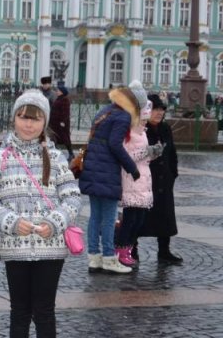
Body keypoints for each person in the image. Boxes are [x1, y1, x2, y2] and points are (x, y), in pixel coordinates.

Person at [0, 90, 80, 338]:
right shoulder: (0, 156)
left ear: (44, 122)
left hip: (49, 247)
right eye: (24, 117)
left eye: (35, 118)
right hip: (16, 246)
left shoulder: (57, 156)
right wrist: (10, 221)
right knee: (19, 310)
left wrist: (55, 221)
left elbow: (73, 197)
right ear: (15, 119)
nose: (28, 124)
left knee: (44, 310)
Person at [78, 81, 144, 275]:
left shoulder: (105, 111)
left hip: (92, 168)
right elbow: (115, 145)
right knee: (109, 217)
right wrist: (132, 167)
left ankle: (94, 257)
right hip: (106, 171)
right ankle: (109, 258)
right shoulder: (122, 116)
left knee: (95, 216)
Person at [113, 99, 161, 268]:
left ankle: (129, 249)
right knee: (130, 220)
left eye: (145, 120)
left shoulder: (143, 133)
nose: (144, 122)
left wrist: (153, 153)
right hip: (131, 181)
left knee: (139, 221)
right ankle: (121, 250)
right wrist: (145, 152)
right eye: (142, 119)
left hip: (144, 180)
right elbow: (126, 157)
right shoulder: (128, 134)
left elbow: (142, 157)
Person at [139, 94, 182, 264]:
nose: (159, 113)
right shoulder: (141, 129)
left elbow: (172, 152)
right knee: (140, 217)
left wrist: (173, 173)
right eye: (155, 109)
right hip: (146, 181)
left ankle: (164, 251)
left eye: (162, 109)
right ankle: (132, 250)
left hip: (164, 181)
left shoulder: (165, 129)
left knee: (165, 216)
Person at [48, 84, 73, 156]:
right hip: (55, 123)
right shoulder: (59, 98)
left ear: (62, 92)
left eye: (58, 90)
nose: (57, 91)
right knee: (54, 137)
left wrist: (63, 122)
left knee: (65, 138)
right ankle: (54, 152)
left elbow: (65, 112)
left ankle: (71, 153)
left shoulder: (65, 100)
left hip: (61, 124)